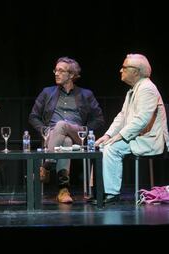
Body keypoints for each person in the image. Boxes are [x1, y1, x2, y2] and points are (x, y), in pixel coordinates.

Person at [94, 53, 169, 204]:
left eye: (124, 67)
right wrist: (108, 135)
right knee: (99, 146)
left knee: (112, 149)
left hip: (148, 139)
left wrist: (120, 136)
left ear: (135, 71)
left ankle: (112, 194)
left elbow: (141, 120)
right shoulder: (135, 89)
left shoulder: (147, 88)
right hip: (137, 136)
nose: (120, 70)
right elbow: (122, 116)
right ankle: (100, 191)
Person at [29, 57, 104, 203]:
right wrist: (44, 131)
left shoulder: (85, 94)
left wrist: (85, 131)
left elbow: (99, 119)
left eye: (61, 71)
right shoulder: (47, 92)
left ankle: (46, 166)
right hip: (52, 136)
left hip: (78, 133)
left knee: (62, 125)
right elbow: (33, 117)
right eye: (55, 70)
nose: (56, 73)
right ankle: (63, 190)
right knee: (66, 141)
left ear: (71, 75)